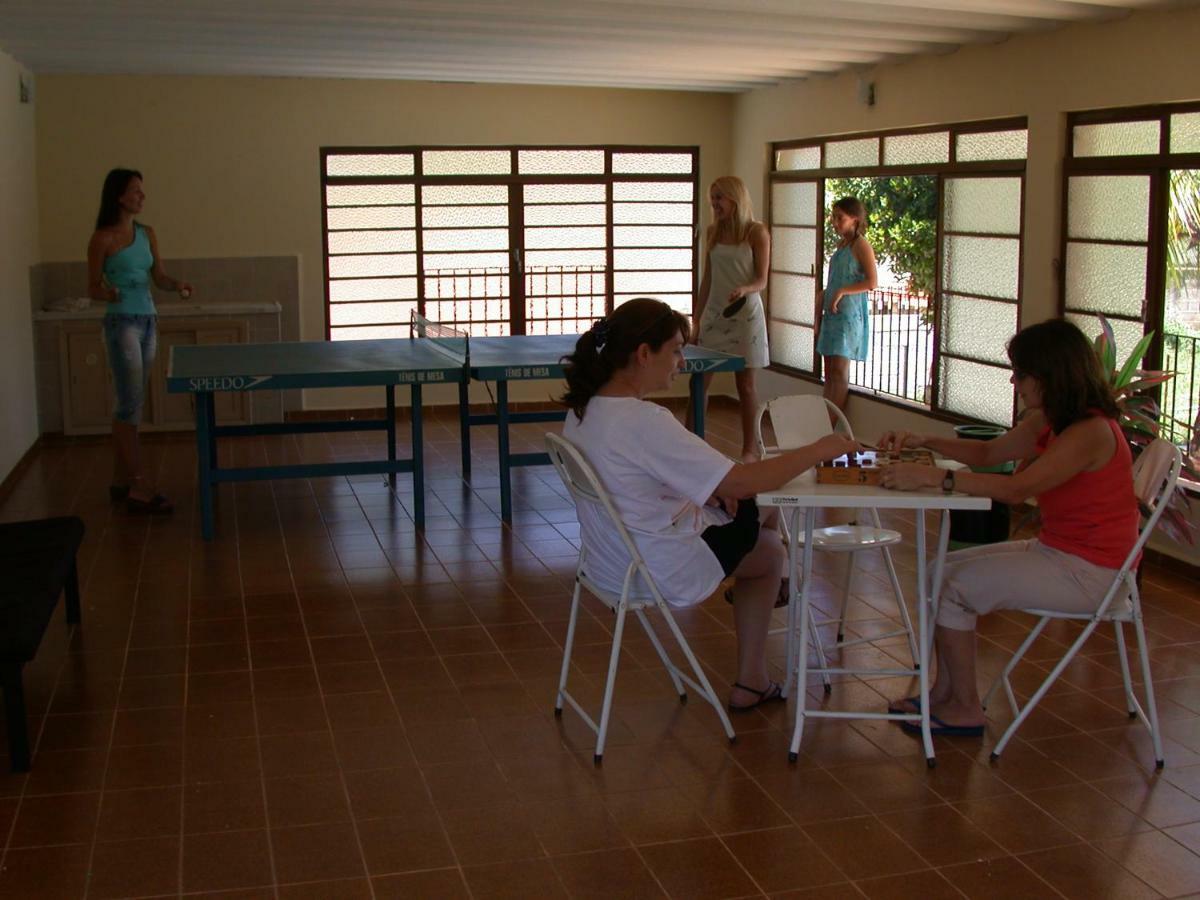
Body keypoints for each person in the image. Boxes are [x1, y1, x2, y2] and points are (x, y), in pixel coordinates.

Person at [561, 297, 857, 711]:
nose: (681, 360)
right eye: (676, 350)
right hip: (660, 565)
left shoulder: (582, 411)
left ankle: (766, 596)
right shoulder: (645, 422)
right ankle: (757, 653)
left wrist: (715, 487)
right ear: (644, 355)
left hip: (608, 561)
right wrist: (817, 449)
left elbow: (649, 476)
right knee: (770, 544)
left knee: (761, 517)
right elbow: (743, 481)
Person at [877, 318, 1138, 736]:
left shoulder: (1090, 432)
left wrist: (937, 478)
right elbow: (988, 451)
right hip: (1061, 550)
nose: (1015, 381)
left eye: (1022, 372)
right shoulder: (1052, 419)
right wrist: (925, 441)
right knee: (939, 571)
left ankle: (964, 707)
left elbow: (1017, 490)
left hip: (1093, 572)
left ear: (1050, 374)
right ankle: (945, 694)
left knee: (958, 588)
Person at [87, 169, 193, 513]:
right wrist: (108, 292)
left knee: (133, 401)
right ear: (119, 196)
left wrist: (176, 284)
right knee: (129, 403)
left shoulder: (147, 234)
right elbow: (92, 288)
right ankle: (137, 485)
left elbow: (158, 276)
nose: (142, 197)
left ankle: (120, 482)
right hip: (122, 324)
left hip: (148, 321)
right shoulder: (101, 238)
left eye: (142, 191)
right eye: (135, 191)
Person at [692, 176, 771, 462]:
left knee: (746, 385)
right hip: (716, 312)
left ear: (735, 200)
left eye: (719, 198)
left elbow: (761, 279)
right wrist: (696, 319)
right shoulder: (713, 232)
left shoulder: (756, 232)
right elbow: (707, 280)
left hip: (745, 314)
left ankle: (750, 448)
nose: (714, 204)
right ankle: (690, 441)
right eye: (712, 198)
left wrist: (744, 290)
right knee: (699, 380)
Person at [816, 197, 877, 414]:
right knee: (830, 373)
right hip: (833, 313)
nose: (835, 222)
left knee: (840, 373)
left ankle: (830, 428)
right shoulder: (842, 244)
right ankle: (822, 424)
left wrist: (842, 291)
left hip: (848, 315)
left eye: (840, 218)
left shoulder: (861, 245)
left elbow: (872, 282)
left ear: (855, 219)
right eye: (834, 217)